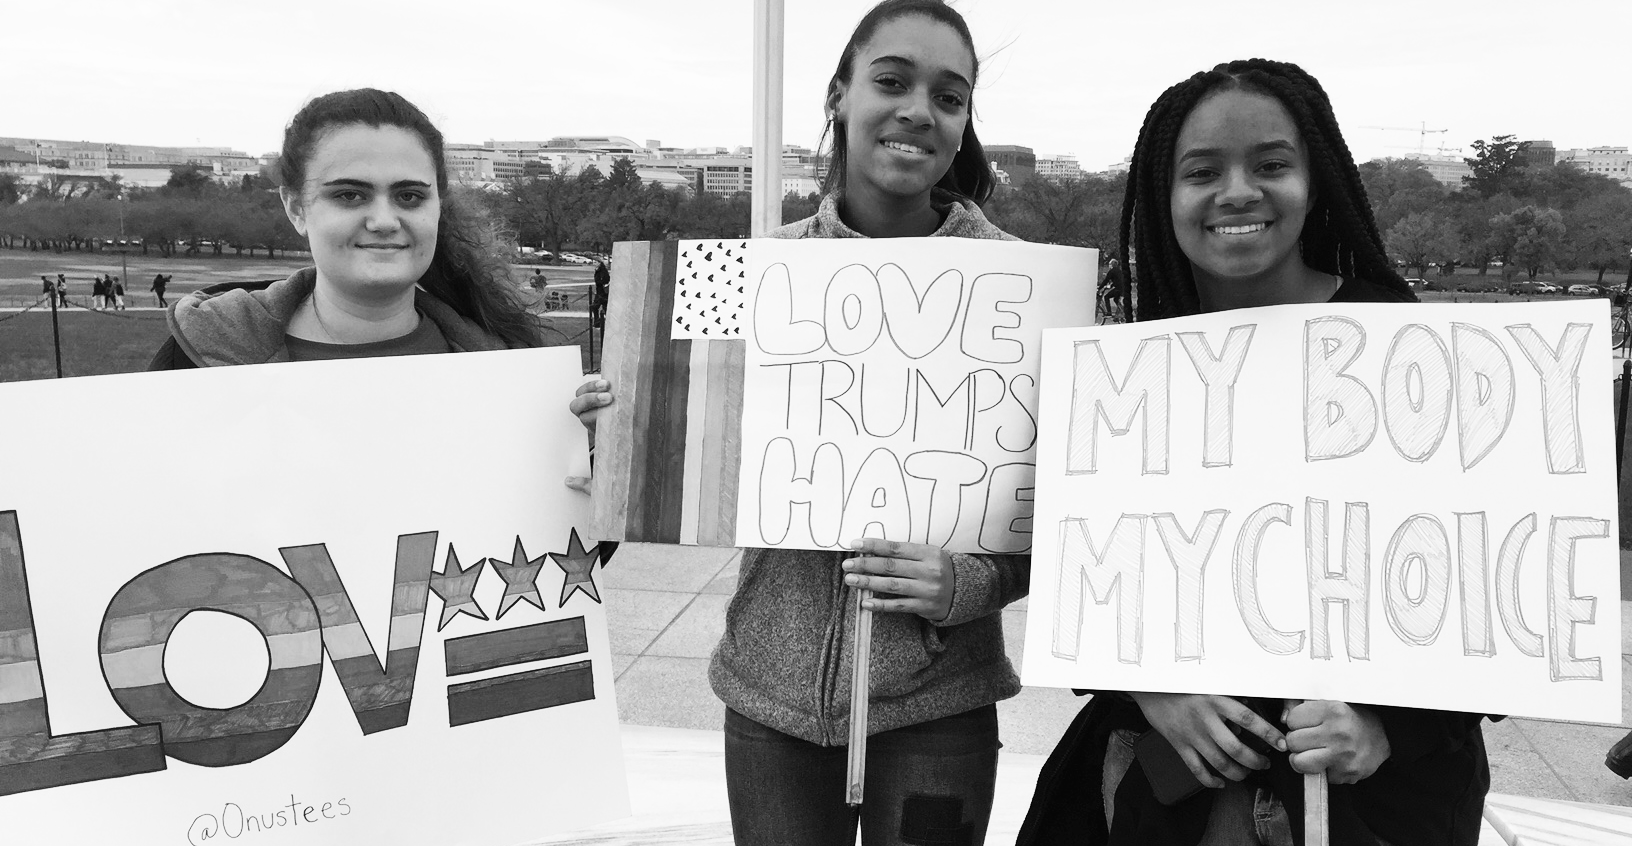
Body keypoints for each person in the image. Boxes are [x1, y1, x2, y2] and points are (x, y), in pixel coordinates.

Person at [573, 3, 1023, 844]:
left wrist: (967, 586)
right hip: (771, 701)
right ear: (839, 97)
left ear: (965, 121)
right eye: (892, 81)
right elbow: (662, 444)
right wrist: (616, 429)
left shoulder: (1015, 284)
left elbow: (1058, 517)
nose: (919, 110)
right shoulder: (752, 271)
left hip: (941, 707)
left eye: (949, 96)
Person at [1017, 59, 1489, 846]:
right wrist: (1150, 690)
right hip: (1166, 794)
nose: (1237, 191)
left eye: (1271, 165)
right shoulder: (1129, 366)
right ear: (1165, 196)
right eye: (1202, 172)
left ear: (1317, 179)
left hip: (1366, 803)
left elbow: (1490, 586)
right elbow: (1092, 577)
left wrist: (1390, 727)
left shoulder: (1408, 343)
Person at [149, 88, 539, 370]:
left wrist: (574, 447)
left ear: (438, 206)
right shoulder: (196, 358)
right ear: (296, 207)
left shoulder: (510, 369)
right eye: (350, 195)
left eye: (409, 196)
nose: (384, 221)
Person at [590, 261, 609, 329]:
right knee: (598, 307)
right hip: (599, 292)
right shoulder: (598, 270)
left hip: (602, 293)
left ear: (599, 263)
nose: (594, 263)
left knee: (596, 307)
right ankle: (598, 322)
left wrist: (600, 283)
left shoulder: (602, 271)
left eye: (595, 262)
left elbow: (606, 280)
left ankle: (599, 322)